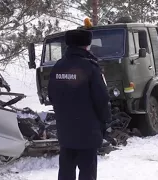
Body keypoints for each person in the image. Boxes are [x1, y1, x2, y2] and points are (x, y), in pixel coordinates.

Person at [47, 29, 111, 180]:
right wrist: (105, 122)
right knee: (87, 171)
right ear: (86, 45)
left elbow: (51, 95)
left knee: (66, 170)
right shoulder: (91, 67)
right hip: (88, 130)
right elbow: (101, 99)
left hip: (66, 129)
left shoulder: (58, 66)